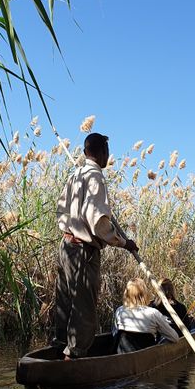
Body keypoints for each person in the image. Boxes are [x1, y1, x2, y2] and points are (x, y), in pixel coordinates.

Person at [53, 132, 139, 360]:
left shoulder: (75, 176)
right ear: (103, 152)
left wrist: (72, 228)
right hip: (83, 251)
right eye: (107, 152)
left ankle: (58, 349)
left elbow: (61, 210)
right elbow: (98, 223)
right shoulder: (96, 177)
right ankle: (73, 358)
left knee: (65, 301)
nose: (108, 156)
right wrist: (124, 243)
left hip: (66, 246)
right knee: (83, 308)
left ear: (85, 152)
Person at [112, 278, 178, 354]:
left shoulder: (119, 311)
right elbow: (175, 337)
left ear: (126, 294)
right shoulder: (153, 313)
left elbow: (115, 334)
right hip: (145, 356)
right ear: (145, 294)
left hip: (122, 355)